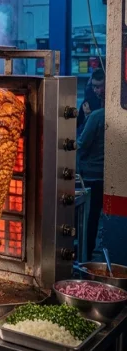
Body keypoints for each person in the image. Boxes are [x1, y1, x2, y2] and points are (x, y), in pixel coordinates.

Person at [77, 105, 105, 260]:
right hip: (104, 175)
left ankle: (84, 256)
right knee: (96, 216)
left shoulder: (97, 116)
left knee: (87, 219)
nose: (95, 90)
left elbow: (82, 143)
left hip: (90, 175)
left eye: (98, 86)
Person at [77, 68, 104, 133]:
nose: (95, 90)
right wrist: (88, 117)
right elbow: (78, 124)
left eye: (98, 87)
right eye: (93, 86)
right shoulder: (89, 101)